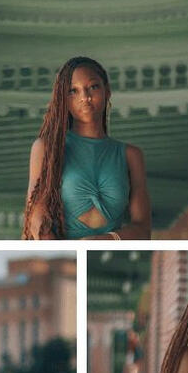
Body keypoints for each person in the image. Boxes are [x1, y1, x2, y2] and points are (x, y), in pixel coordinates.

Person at [24, 56, 150, 240]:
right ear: (63, 99)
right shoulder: (46, 149)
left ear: (107, 91)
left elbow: (143, 230)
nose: (85, 97)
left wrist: (105, 240)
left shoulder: (131, 155)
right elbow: (36, 218)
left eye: (93, 87)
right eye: (73, 91)